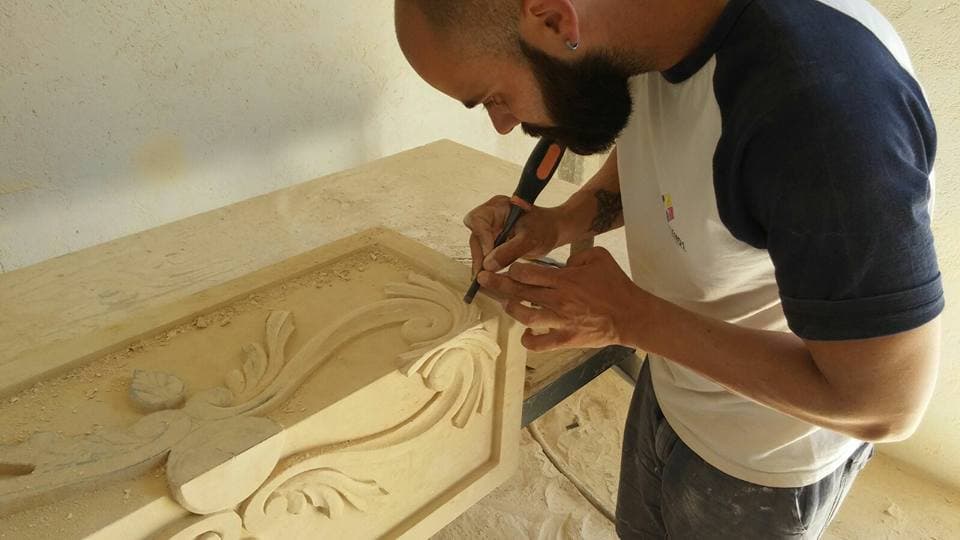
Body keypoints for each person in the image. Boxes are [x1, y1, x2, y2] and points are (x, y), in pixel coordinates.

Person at [394, 0, 943, 538]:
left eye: (493, 97)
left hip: (765, 458)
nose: (504, 123)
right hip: (674, 381)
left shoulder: (823, 111)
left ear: (554, 18)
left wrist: (628, 319)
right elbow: (671, 155)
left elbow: (884, 404)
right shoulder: (638, 30)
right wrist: (556, 224)